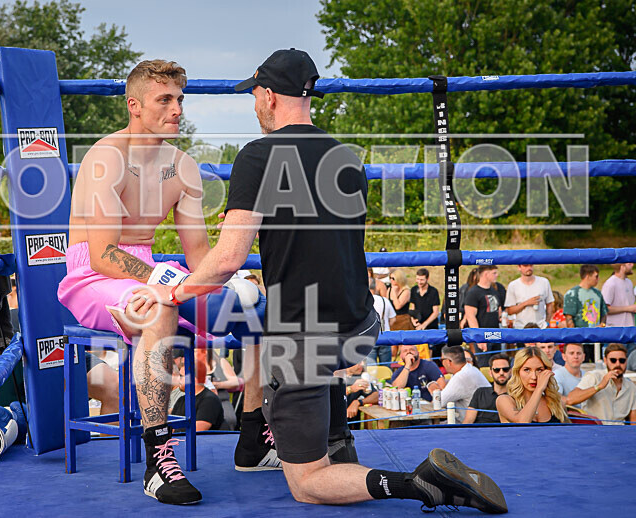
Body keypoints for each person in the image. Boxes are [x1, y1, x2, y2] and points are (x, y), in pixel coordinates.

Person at [131, 49, 506, 512]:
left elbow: (228, 259)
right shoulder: (348, 159)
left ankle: (419, 483)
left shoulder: (258, 156)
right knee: (272, 329)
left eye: (253, 95)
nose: (252, 106)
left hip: (308, 342)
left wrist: (172, 291)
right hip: (362, 325)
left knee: (307, 483)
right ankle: (322, 438)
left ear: (269, 96)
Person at [57, 59, 274, 505]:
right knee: (161, 306)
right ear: (134, 106)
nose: (176, 109)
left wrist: (228, 281)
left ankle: (252, 437)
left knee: (255, 312)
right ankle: (158, 458)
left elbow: (198, 254)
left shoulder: (183, 167)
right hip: (91, 275)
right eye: (165, 100)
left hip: (148, 268)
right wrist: (164, 281)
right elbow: (102, 253)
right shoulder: (106, 158)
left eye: (179, 99)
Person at [567, 343, 636, 424]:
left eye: (622, 360)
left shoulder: (631, 387)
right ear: (605, 360)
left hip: (618, 432)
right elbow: (570, 399)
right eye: (613, 360)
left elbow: (633, 420)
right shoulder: (594, 376)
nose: (618, 364)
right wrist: (599, 386)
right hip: (594, 431)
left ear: (626, 361)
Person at [496, 347, 569, 424]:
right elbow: (522, 423)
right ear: (518, 372)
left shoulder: (557, 404)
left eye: (539, 370)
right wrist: (539, 389)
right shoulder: (504, 400)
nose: (534, 377)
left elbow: (568, 433)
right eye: (527, 370)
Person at [171, 352, 226, 431]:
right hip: (180, 442)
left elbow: (198, 429)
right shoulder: (181, 400)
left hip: (205, 442)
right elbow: (172, 426)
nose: (179, 379)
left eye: (181, 376)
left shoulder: (210, 400)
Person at [564, 264, 607, 360]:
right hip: (581, 340)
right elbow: (569, 318)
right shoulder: (572, 294)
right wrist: (575, 340)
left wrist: (602, 325)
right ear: (587, 276)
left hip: (596, 339)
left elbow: (603, 312)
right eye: (596, 276)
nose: (598, 279)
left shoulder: (597, 293)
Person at [464, 265, 504, 367]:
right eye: (494, 273)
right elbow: (470, 316)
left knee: (497, 365)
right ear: (486, 274)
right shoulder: (473, 292)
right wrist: (479, 337)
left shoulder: (494, 291)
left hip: (496, 333)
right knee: (485, 366)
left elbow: (497, 310)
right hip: (483, 335)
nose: (497, 275)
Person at [440, 346, 491, 421]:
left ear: (448, 361)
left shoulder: (461, 376)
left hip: (473, 426)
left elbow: (439, 402)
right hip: (481, 421)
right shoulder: (470, 369)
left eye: (441, 360)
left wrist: (433, 389)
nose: (442, 363)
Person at [464, 354, 512, 424]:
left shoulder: (516, 395)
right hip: (479, 432)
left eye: (505, 369)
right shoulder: (480, 392)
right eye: (497, 370)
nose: (501, 373)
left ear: (510, 371)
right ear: (490, 372)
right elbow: (468, 421)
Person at [504, 264, 554, 329]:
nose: (529, 268)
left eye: (531, 265)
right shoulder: (513, 285)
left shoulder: (544, 282)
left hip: (541, 327)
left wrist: (547, 323)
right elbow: (509, 311)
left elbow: (550, 304)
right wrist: (526, 303)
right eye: (525, 265)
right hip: (521, 328)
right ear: (519, 267)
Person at [601, 263, 635, 356]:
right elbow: (605, 309)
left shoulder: (629, 282)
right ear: (622, 266)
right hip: (615, 333)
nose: (632, 265)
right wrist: (629, 308)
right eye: (629, 263)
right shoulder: (610, 284)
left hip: (630, 332)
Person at [410, 269, 441, 358]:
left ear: (427, 279)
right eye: (418, 279)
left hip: (431, 327)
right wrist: (414, 321)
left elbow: (435, 312)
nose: (419, 282)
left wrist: (424, 325)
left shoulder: (433, 291)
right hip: (418, 326)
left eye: (422, 279)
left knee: (429, 354)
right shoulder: (413, 290)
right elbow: (413, 308)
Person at [368, 277, 396, 365]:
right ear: (375, 288)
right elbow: (393, 319)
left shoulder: (362, 302)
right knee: (386, 367)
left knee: (371, 368)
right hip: (385, 335)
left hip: (370, 337)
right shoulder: (385, 300)